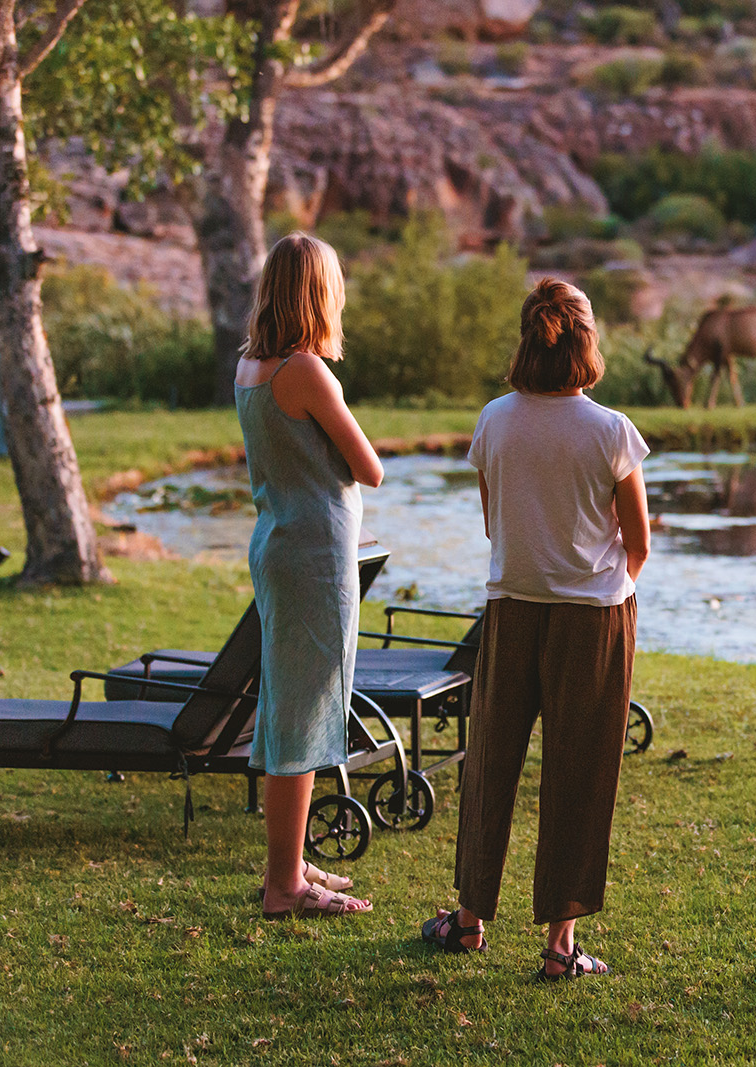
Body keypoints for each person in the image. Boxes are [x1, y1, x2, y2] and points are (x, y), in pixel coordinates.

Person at [421, 279, 651, 981]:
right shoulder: (611, 430)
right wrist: (610, 583)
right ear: (587, 339)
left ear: (528, 335)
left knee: (490, 760)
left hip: (513, 607)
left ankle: (468, 921)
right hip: (594, 617)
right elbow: (638, 539)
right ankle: (560, 943)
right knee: (580, 771)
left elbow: (496, 524)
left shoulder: (494, 420)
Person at [235, 232, 384, 920]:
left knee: (289, 708)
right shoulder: (307, 371)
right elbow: (368, 466)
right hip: (314, 558)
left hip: (277, 545)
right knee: (300, 717)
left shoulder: (251, 368)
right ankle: (284, 887)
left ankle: (289, 863)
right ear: (319, 293)